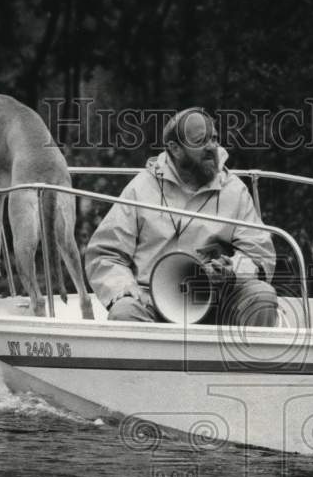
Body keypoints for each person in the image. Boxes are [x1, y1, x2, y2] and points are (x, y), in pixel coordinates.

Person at [84, 107, 278, 326]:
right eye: (200, 141)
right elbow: (105, 254)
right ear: (174, 149)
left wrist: (233, 270)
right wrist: (123, 288)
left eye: (214, 139)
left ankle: (246, 361)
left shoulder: (234, 190)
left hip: (218, 301)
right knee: (125, 312)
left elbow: (260, 253)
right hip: (152, 302)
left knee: (261, 296)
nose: (211, 147)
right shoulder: (141, 188)